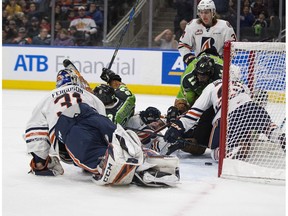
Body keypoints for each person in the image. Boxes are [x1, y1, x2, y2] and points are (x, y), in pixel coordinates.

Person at [25, 66, 179, 187]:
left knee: (99, 159)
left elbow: (36, 132)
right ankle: (149, 156)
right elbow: (101, 115)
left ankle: (138, 173)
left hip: (70, 126)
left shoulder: (47, 98)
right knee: (123, 143)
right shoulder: (86, 94)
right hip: (94, 116)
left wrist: (39, 162)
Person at [164, 78, 286, 160]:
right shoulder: (241, 84)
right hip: (253, 108)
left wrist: (176, 127)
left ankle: (229, 152)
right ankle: (280, 137)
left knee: (214, 151)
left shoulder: (210, 87)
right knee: (268, 127)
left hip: (227, 114)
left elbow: (193, 114)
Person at [166, 49, 223, 155]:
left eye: (204, 75)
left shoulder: (222, 73)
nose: (201, 77)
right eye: (199, 74)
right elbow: (185, 100)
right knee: (181, 115)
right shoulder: (188, 77)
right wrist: (177, 113)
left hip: (217, 98)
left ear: (211, 73)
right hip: (202, 94)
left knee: (208, 126)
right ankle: (190, 136)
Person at [178, 0, 236, 66]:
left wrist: (222, 60)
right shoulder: (192, 25)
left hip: (218, 65)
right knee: (186, 76)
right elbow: (183, 45)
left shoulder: (225, 26)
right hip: (199, 65)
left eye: (206, 12)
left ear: (213, 12)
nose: (203, 15)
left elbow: (233, 48)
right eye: (201, 12)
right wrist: (190, 59)